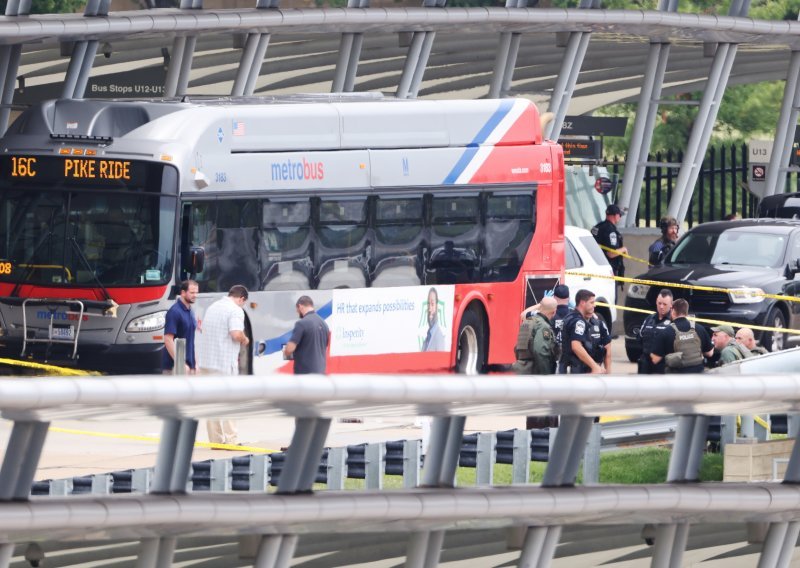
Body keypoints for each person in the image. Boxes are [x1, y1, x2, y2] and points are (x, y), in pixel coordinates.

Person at [197, 285, 251, 446]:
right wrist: (245, 339)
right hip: (224, 363)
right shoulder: (235, 310)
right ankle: (231, 440)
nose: (243, 306)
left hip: (207, 362)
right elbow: (235, 333)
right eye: (244, 303)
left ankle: (216, 441)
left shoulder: (213, 307)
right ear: (241, 298)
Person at [650, 299, 713, 374]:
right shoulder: (700, 329)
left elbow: (655, 359)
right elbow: (709, 353)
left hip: (677, 379)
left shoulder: (666, 332)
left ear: (672, 311)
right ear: (686, 312)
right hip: (697, 377)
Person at [561, 289, 611, 374]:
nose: (594, 305)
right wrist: (594, 367)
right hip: (576, 373)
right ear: (582, 303)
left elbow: (608, 350)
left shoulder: (598, 323)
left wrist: (608, 376)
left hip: (592, 373)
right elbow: (576, 346)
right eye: (591, 302)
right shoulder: (575, 321)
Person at [283, 295, 330, 374]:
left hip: (305, 375)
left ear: (300, 306)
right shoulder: (324, 324)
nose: (297, 313)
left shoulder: (301, 324)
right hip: (321, 373)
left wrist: (286, 351)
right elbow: (323, 346)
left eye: (297, 310)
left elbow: (289, 349)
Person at [512, 296, 558, 376]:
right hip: (534, 373)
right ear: (554, 312)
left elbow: (517, 347)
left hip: (521, 370)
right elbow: (540, 351)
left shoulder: (527, 322)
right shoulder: (543, 326)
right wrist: (546, 375)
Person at [162, 279, 199, 374]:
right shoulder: (174, 312)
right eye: (192, 292)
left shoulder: (191, 310)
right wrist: (180, 363)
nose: (195, 295)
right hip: (174, 367)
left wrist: (195, 363)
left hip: (189, 366)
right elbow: (168, 339)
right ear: (183, 293)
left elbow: (190, 339)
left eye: (196, 292)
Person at [592, 204, 627, 297]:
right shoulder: (611, 231)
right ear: (615, 215)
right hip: (609, 271)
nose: (620, 217)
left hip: (595, 268)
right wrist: (623, 249)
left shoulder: (597, 227)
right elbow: (611, 253)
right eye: (620, 215)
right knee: (610, 299)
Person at [637, 289, 673, 374]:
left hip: (663, 367)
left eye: (665, 304)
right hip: (645, 364)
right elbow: (640, 338)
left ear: (671, 305)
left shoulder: (673, 322)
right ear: (656, 302)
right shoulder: (649, 319)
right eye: (659, 303)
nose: (661, 307)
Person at [421, 287, 446, 352]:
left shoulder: (439, 337)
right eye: (428, 304)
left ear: (437, 306)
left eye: (432, 304)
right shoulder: (428, 337)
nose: (429, 309)